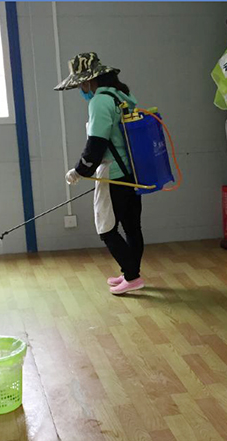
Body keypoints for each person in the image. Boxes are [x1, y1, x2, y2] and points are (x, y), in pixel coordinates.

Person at [54, 52, 144, 295]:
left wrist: (79, 171)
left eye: (80, 84)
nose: (81, 90)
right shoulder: (121, 96)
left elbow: (96, 144)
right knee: (132, 227)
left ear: (89, 80)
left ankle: (132, 276)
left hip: (113, 174)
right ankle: (130, 273)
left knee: (106, 228)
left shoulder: (99, 102)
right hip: (131, 171)